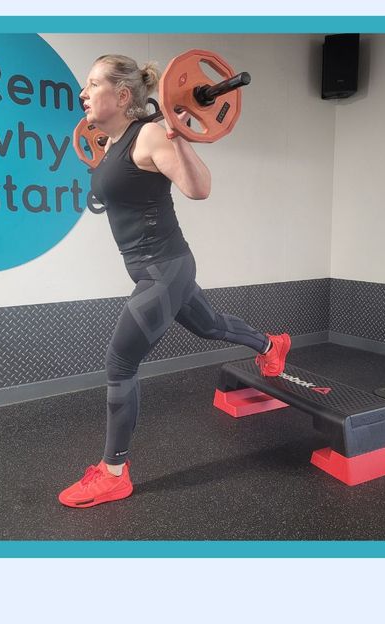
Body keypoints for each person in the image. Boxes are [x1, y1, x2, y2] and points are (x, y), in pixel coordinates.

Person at [58, 54, 291, 508]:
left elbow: (198, 188)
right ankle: (270, 345)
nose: (83, 93)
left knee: (120, 363)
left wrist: (178, 135)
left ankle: (113, 473)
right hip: (153, 269)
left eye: (92, 84)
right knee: (210, 325)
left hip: (166, 269)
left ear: (123, 95)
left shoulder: (149, 135)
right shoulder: (116, 139)